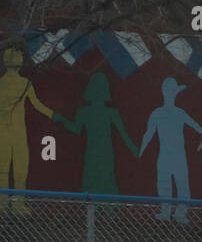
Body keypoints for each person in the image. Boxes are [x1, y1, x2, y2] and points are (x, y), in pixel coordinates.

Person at [52, 72, 138, 195]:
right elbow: (123, 133)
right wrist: (133, 148)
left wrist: (62, 119)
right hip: (103, 152)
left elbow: (75, 129)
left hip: (94, 152)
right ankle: (108, 213)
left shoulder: (85, 112)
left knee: (94, 183)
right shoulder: (108, 113)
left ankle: (94, 213)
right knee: (104, 182)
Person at [139, 77, 202, 222]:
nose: (170, 93)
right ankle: (166, 213)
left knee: (179, 186)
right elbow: (148, 135)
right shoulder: (160, 113)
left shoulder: (176, 113)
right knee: (165, 186)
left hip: (176, 156)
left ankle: (179, 214)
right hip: (167, 156)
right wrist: (140, 151)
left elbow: (197, 127)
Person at [0, 48, 55, 214]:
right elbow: (37, 105)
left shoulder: (4, 83)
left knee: (3, 169)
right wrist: (55, 116)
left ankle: (4, 204)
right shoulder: (24, 83)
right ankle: (17, 205)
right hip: (17, 132)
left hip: (4, 132)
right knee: (19, 169)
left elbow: (36, 105)